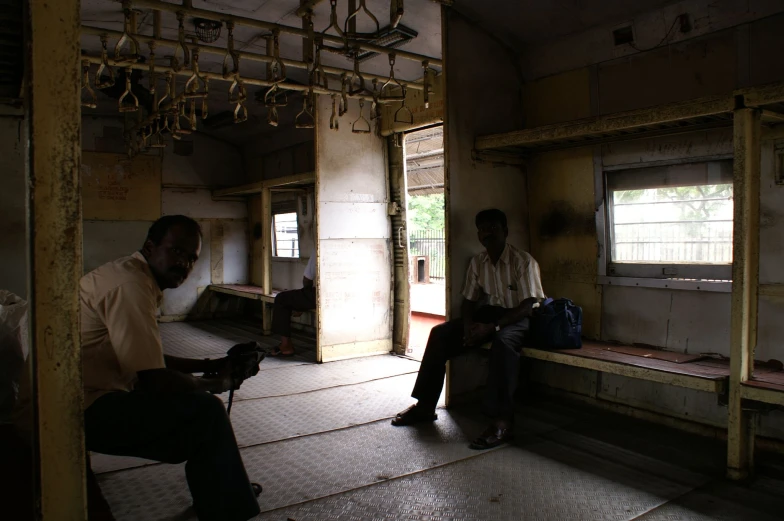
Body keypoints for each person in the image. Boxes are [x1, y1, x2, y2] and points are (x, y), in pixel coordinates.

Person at [75, 215, 260, 521]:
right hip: (82, 408)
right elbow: (154, 380)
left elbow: (145, 356)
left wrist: (211, 365)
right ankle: (228, 506)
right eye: (176, 251)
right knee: (206, 412)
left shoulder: (132, 275)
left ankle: (223, 492)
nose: (184, 264)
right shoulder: (131, 287)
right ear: (150, 248)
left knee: (199, 414)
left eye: (191, 258)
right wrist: (216, 383)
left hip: (78, 395)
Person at [392, 209, 545, 450]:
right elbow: (469, 301)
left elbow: (528, 306)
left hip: (517, 317)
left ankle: (502, 422)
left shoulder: (523, 262)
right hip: (490, 314)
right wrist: (467, 328)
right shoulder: (478, 262)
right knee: (440, 334)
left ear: (505, 232)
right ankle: (425, 406)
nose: (488, 233)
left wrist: (492, 328)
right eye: (483, 229)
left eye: (494, 228)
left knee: (503, 344)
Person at [268, 255, 316, 357]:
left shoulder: (319, 247)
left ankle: (286, 346)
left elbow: (307, 278)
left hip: (323, 294)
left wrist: (303, 303)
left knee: (281, 298)